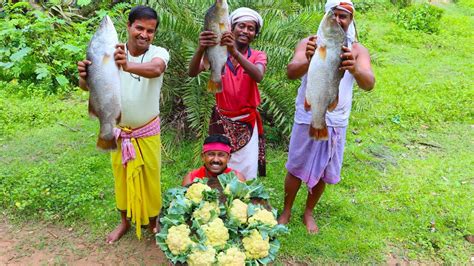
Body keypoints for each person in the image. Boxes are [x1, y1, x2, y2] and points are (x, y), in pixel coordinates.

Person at [278, 0, 375, 234]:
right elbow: (292, 72)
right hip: (307, 114)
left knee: (324, 169)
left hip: (336, 119)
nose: (339, 20)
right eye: (335, 15)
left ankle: (309, 211)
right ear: (325, 17)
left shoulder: (357, 50)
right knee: (296, 166)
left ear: (351, 21)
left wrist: (355, 68)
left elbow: (369, 83)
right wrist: (308, 58)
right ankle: (286, 210)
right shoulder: (310, 42)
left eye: (344, 16)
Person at [77, 5, 170, 243]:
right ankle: (124, 222)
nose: (144, 34)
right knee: (121, 179)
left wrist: (127, 66)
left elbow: (157, 68)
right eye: (139, 27)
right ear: (128, 27)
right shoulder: (110, 52)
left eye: (150, 30)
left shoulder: (158, 53)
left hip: (148, 131)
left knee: (151, 177)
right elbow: (91, 87)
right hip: (119, 132)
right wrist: (83, 77)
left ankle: (153, 222)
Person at [188, 7, 267, 180]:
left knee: (247, 170)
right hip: (221, 121)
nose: (245, 31)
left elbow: (258, 75)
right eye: (241, 26)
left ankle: (243, 202)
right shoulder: (217, 52)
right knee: (218, 168)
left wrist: (235, 52)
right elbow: (192, 72)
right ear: (231, 27)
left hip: (247, 122)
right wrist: (201, 49)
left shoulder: (258, 56)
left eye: (251, 28)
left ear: (255, 34)